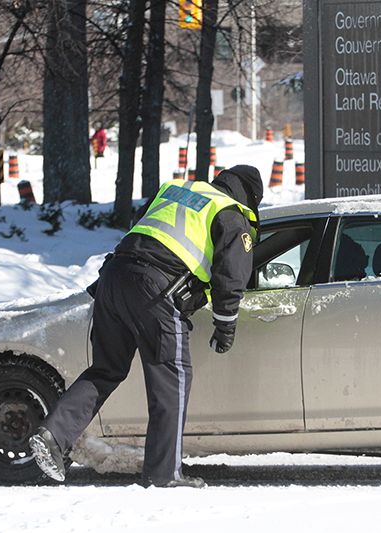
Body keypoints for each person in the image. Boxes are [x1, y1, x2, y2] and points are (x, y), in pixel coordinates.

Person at [30, 165, 264, 488]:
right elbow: (232, 275)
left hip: (113, 278)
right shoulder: (231, 214)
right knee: (173, 379)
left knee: (106, 369)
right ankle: (164, 474)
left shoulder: (176, 190)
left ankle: (53, 436)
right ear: (250, 199)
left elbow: (143, 227)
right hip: (155, 291)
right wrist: (225, 326)